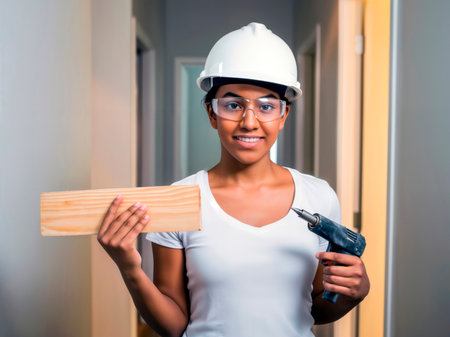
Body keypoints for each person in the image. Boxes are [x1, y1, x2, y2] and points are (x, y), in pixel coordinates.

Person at [97, 22, 370, 337]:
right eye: (232, 105)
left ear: (283, 116)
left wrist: (353, 293)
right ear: (212, 114)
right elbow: (173, 325)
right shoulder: (181, 198)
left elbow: (315, 310)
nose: (249, 122)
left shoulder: (319, 197)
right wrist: (130, 269)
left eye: (266, 106)